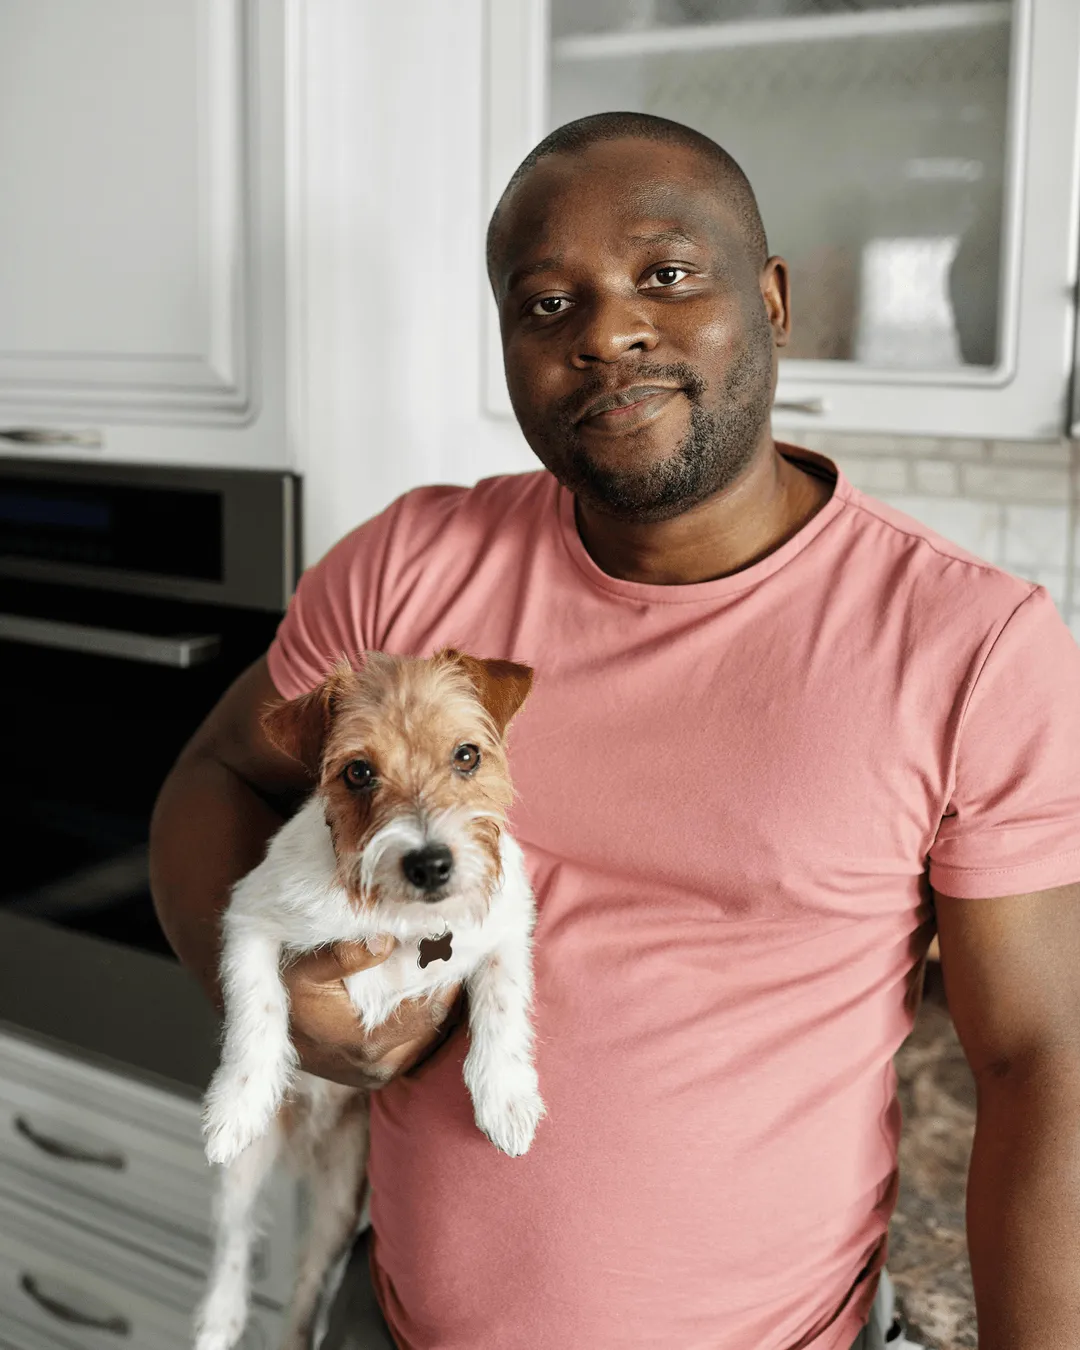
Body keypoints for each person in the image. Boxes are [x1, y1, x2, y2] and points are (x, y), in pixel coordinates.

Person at [150, 112, 1080, 1350]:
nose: (606, 332)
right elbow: (220, 771)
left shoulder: (974, 645)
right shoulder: (408, 569)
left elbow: (1041, 1066)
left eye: (667, 276)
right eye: (546, 304)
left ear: (773, 300)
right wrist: (275, 997)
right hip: (392, 1323)